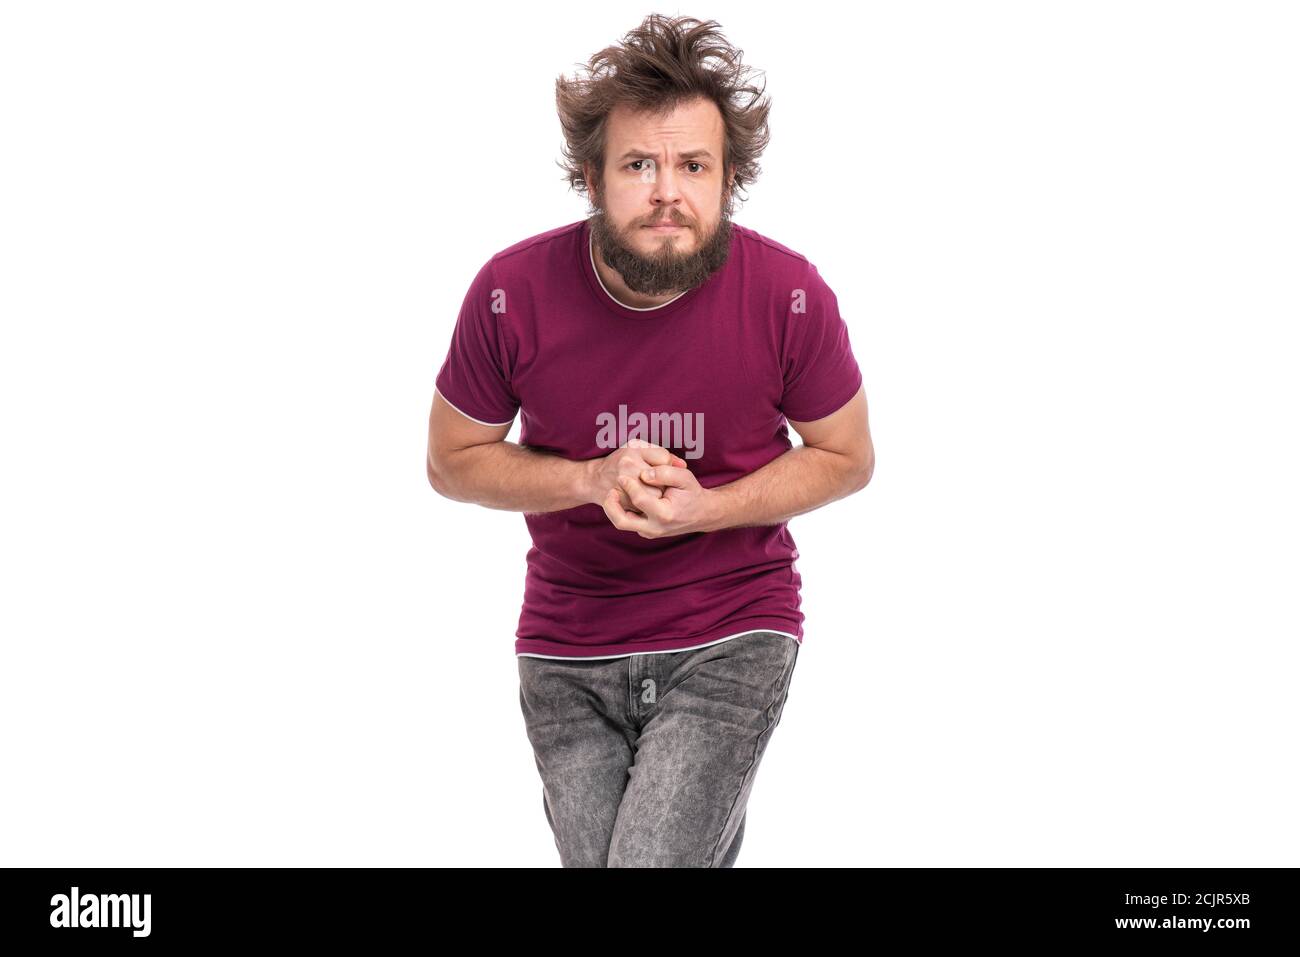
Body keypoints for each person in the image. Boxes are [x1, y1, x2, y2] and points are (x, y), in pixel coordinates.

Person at [425, 14, 874, 867]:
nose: (668, 190)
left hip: (731, 631)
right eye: (639, 165)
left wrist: (709, 507)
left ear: (729, 178)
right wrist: (591, 480)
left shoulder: (789, 295)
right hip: (566, 649)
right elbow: (451, 458)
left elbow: (848, 454)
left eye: (693, 165)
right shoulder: (507, 293)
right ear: (591, 179)